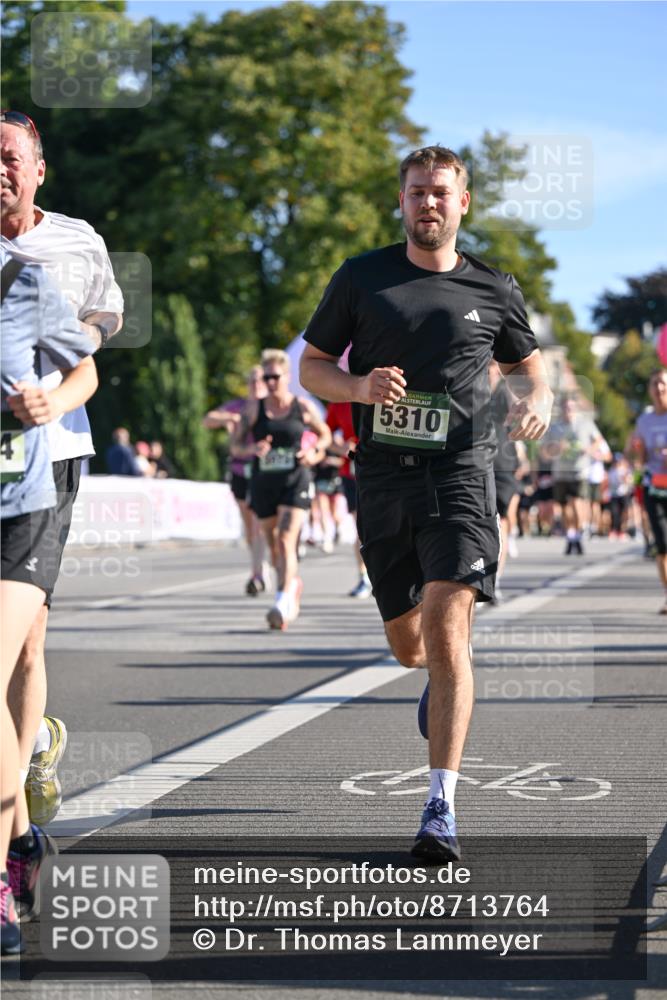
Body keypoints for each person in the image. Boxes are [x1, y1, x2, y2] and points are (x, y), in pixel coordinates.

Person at [300, 144, 552, 860]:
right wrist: (357, 388)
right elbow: (312, 367)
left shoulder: (493, 287)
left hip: (462, 476)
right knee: (410, 648)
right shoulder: (361, 277)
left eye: (440, 192)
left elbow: (529, 369)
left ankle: (440, 807)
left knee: (447, 634)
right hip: (384, 478)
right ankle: (438, 681)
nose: (428, 203)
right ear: (402, 201)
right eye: (416, 192)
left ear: (462, 202)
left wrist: (536, 400)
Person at [1, 111, 123, 842]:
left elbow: (105, 321)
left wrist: (74, 338)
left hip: (51, 449)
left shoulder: (76, 241)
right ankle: (27, 761)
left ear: (38, 170)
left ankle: (17, 790)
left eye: (10, 157)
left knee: (27, 635)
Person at [1, 254, 97, 954]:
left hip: (19, 507)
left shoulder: (21, 280)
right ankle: (21, 840)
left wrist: (52, 403)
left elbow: (84, 371)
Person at [242, 349, 331, 630]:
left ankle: (281, 601)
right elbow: (235, 445)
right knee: (274, 547)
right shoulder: (253, 410)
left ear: (287, 377)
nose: (270, 383)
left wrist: (314, 452)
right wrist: (252, 449)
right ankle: (292, 584)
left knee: (285, 539)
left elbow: (325, 435)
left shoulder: (302, 407)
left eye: (275, 377)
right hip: (264, 484)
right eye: (266, 377)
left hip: (296, 480)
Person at [204, 366, 269, 595]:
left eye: (260, 380)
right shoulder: (238, 406)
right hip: (240, 469)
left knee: (259, 522)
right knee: (249, 525)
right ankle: (259, 565)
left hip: (263, 470)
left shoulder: (270, 406)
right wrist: (231, 418)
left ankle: (257, 573)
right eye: (252, 380)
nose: (256, 384)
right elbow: (208, 420)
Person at [541, 397, 610, 555]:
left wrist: (589, 449)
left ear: (576, 409)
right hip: (560, 472)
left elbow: (599, 440)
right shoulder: (554, 427)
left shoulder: (585, 424)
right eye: (565, 408)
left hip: (579, 471)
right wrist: (557, 448)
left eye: (571, 407)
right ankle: (571, 537)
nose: (568, 411)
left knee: (578, 504)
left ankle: (578, 534)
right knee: (564, 507)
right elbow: (545, 451)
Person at [488, 360, 529, 603]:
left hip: (503, 465)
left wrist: (522, 456)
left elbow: (518, 416)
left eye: (493, 367)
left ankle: (495, 579)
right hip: (474, 463)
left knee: (501, 521)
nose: (489, 372)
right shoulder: (470, 389)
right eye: (486, 367)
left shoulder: (505, 391)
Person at [326, 399, 372, 598]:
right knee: (362, 527)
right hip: (352, 474)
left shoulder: (382, 390)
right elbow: (324, 434)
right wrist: (341, 448)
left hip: (385, 469)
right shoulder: (339, 402)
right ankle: (364, 578)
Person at [632, 370, 667, 613]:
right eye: (655, 384)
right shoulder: (644, 421)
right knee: (662, 544)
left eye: (663, 383)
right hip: (654, 486)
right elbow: (641, 458)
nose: (659, 388)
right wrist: (639, 452)